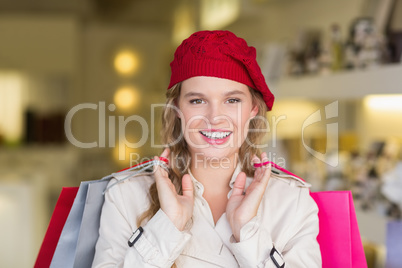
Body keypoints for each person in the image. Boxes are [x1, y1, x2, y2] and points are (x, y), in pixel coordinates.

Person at [92, 30, 322, 267]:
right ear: (176, 109)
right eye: (197, 101)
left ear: (253, 108)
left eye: (232, 100)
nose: (215, 118)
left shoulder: (291, 201)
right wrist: (167, 225)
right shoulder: (125, 195)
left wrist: (248, 231)